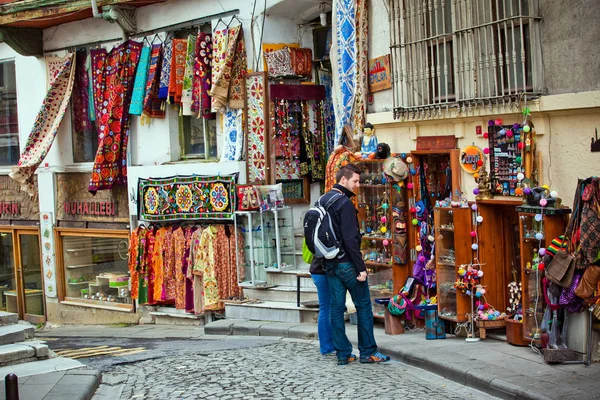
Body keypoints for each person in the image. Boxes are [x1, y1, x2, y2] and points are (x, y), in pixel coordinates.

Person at [324, 163, 391, 365]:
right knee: (363, 305)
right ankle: (368, 351)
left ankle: (343, 353)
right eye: (355, 180)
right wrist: (361, 267)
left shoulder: (323, 200)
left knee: (336, 308)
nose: (357, 185)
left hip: (330, 263)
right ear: (343, 180)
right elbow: (351, 239)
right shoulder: (343, 203)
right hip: (347, 263)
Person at [310, 257, 334, 356]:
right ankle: (326, 346)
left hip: (318, 271)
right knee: (326, 309)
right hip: (322, 271)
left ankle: (328, 344)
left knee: (326, 309)